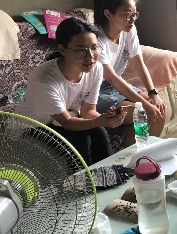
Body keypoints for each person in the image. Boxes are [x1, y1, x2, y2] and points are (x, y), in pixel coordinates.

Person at [15, 17, 126, 165]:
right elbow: (67, 122)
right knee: (81, 139)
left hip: (61, 119)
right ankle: (84, 179)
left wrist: (107, 118)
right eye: (81, 50)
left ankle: (110, 174)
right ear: (63, 50)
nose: (90, 56)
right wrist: (99, 121)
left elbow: (88, 112)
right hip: (33, 127)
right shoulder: (45, 79)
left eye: (94, 47)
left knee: (98, 131)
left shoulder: (96, 69)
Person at [92, 0, 167, 146]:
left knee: (159, 109)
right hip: (94, 91)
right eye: (127, 14)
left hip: (115, 86)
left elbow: (139, 64)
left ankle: (149, 153)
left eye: (134, 14)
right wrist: (145, 105)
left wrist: (152, 93)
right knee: (142, 113)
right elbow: (112, 78)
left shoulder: (129, 30)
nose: (132, 20)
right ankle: (131, 158)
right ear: (108, 14)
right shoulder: (96, 40)